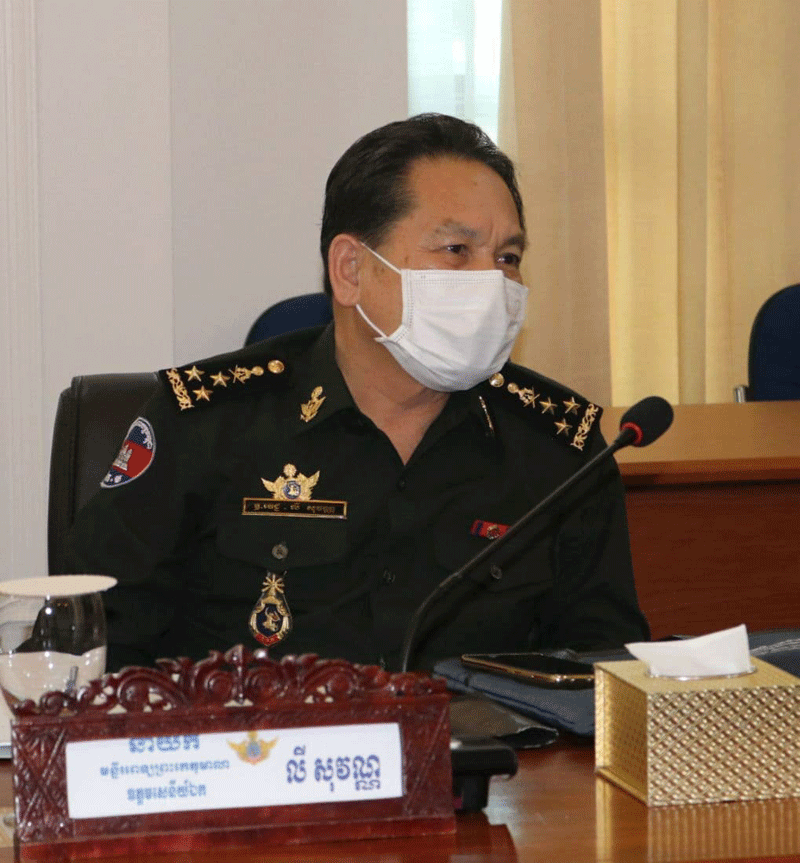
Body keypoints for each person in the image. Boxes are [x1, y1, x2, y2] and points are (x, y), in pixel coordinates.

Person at [66, 113, 649, 673]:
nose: (491, 282)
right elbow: (91, 643)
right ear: (350, 269)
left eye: (508, 258)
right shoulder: (205, 421)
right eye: (456, 251)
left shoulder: (559, 447)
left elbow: (604, 671)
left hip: (483, 746)